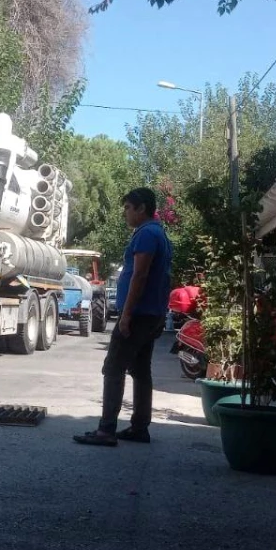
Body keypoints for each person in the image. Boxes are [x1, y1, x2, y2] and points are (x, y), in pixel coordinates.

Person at [74, 188, 173, 446]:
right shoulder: (158, 233)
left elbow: (140, 276)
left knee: (114, 367)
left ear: (141, 208)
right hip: (151, 313)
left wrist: (126, 314)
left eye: (128, 207)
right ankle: (139, 427)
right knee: (140, 370)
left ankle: (106, 430)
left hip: (139, 314)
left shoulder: (147, 234)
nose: (125, 213)